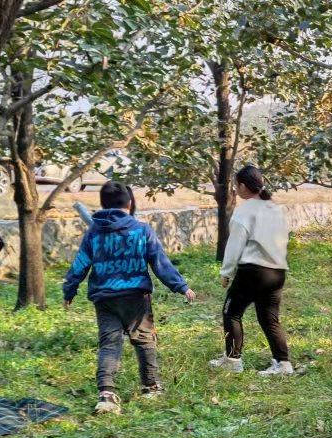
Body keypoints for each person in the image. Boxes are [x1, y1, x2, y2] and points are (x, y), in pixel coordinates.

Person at [63, 181, 195, 415]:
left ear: (102, 205)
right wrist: (181, 286)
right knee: (144, 340)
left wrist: (69, 291)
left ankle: (106, 394)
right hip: (136, 297)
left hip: (105, 298)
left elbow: (80, 263)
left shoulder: (94, 232)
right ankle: (150, 386)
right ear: (130, 204)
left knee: (109, 344)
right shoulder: (142, 230)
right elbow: (159, 262)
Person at [211, 165, 293, 376]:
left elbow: (234, 245)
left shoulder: (244, 211)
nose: (235, 189)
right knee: (269, 318)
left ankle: (232, 359)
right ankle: (283, 363)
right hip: (277, 271)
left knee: (232, 312)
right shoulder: (276, 209)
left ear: (244, 186)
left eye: (236, 185)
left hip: (253, 271)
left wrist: (226, 272)